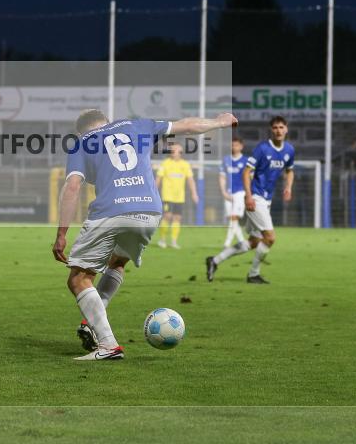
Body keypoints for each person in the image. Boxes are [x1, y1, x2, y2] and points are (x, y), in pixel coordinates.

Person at [53, 109, 237, 360]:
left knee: (79, 279)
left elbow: (72, 186)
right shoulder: (137, 126)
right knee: (117, 261)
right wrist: (219, 122)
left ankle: (107, 345)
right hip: (149, 210)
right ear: (107, 122)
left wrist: (61, 233)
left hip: (111, 211)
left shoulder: (82, 143)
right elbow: (187, 125)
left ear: (81, 130)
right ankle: (92, 322)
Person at [206, 116, 294, 284]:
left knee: (253, 242)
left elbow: (290, 170)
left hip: (266, 199)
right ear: (271, 130)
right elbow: (246, 172)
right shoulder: (262, 149)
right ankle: (253, 274)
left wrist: (288, 187)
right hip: (255, 197)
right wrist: (248, 196)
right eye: (275, 127)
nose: (278, 130)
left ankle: (214, 260)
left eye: (281, 127)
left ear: (286, 129)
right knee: (270, 238)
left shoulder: (289, 150)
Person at [206, 136, 248, 281]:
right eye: (232, 145)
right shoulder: (225, 160)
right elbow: (222, 177)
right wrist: (223, 191)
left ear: (241, 146)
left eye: (236, 145)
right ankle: (235, 241)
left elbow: (250, 177)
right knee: (232, 220)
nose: (233, 147)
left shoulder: (246, 161)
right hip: (228, 194)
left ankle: (232, 242)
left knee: (234, 218)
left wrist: (248, 194)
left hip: (240, 192)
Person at [154, 142, 198, 249]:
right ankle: (162, 240)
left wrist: (194, 193)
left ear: (180, 152)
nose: (173, 152)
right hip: (167, 196)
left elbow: (190, 180)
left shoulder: (185, 164)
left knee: (177, 218)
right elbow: (158, 179)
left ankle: (173, 241)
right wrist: (154, 192)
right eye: (172, 150)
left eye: (176, 150)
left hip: (179, 197)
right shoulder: (165, 163)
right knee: (167, 216)